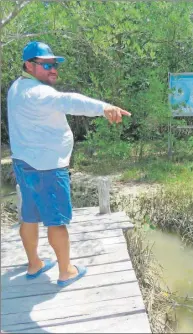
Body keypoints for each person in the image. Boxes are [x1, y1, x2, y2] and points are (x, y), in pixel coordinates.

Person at [7, 41, 131, 287]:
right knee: (56, 221)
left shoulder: (17, 88)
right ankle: (66, 271)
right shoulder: (40, 93)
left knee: (29, 217)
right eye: (46, 64)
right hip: (48, 169)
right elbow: (70, 101)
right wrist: (104, 107)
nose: (53, 69)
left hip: (24, 164)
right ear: (29, 65)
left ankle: (35, 264)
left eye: (54, 64)